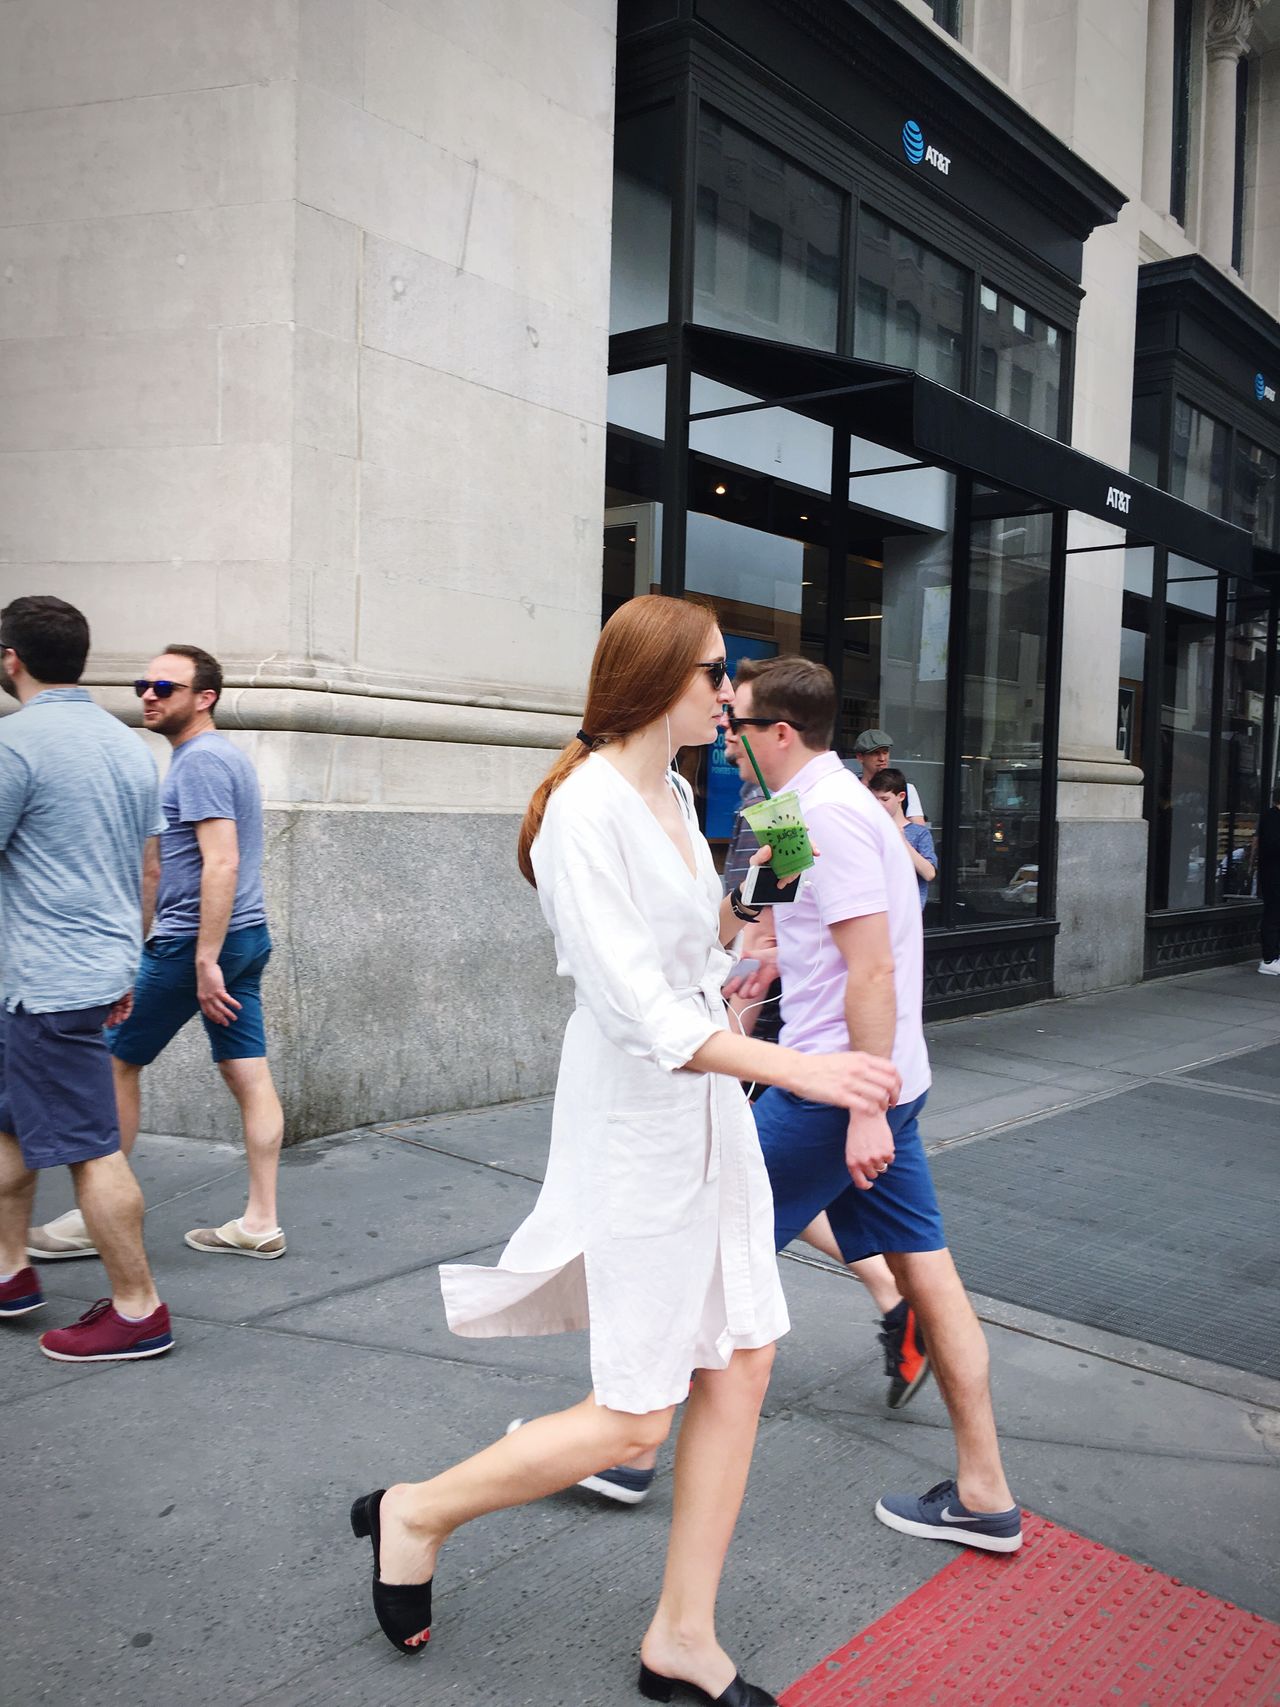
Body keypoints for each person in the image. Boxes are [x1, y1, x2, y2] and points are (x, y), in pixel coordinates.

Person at [348, 596, 899, 1704]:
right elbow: (639, 1011)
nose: (730, 692)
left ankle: (682, 1639)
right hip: (642, 1117)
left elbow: (707, 936)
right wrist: (803, 1068)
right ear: (658, 682)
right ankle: (417, 1510)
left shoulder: (683, 789)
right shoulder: (581, 815)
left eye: (730, 676)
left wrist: (757, 908)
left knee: (744, 1358)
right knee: (637, 1411)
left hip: (708, 1113)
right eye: (713, 674)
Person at [735, 657, 1021, 1554]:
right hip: (871, 1075)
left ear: (780, 732)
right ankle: (986, 1496)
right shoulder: (792, 809)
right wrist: (764, 960)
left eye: (739, 725)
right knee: (928, 1276)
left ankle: (621, 1443)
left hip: (838, 1086)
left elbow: (874, 966)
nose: (727, 738)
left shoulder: (830, 814)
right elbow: (783, 923)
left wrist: (862, 1105)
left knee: (705, 1238)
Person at [27, 644, 286, 1264]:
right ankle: (260, 1220)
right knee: (247, 1073)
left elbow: (219, 862)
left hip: (194, 945)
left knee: (114, 1062)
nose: (148, 693)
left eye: (165, 687)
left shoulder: (198, 762)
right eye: (145, 683)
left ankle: (96, 1219)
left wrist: (201, 958)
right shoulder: (224, 757)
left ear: (205, 699)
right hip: (244, 939)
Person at [0, 596, 173, 1362]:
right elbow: (148, 868)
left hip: (43, 981)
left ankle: (139, 1308)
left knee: (91, 1147)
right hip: (84, 970)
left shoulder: (16, 743)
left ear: (11, 658)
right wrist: (126, 960)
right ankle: (9, 1271)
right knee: (10, 1124)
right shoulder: (129, 745)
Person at [868, 768, 937, 910]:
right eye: (874, 799)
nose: (878, 804)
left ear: (901, 796)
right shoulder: (869, 830)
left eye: (885, 799)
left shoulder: (919, 833)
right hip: (877, 910)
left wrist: (902, 841)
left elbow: (929, 873)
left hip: (907, 913)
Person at [851, 729, 925, 823]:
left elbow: (918, 830)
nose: (882, 759)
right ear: (860, 757)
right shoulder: (851, 790)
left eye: (885, 752)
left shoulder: (906, 789)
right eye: (875, 753)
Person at [1253, 783, 1280, 975]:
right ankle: (1269, 958)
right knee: (1273, 914)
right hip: (1274, 874)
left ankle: (1275, 955)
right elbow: (1271, 846)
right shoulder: (1272, 817)